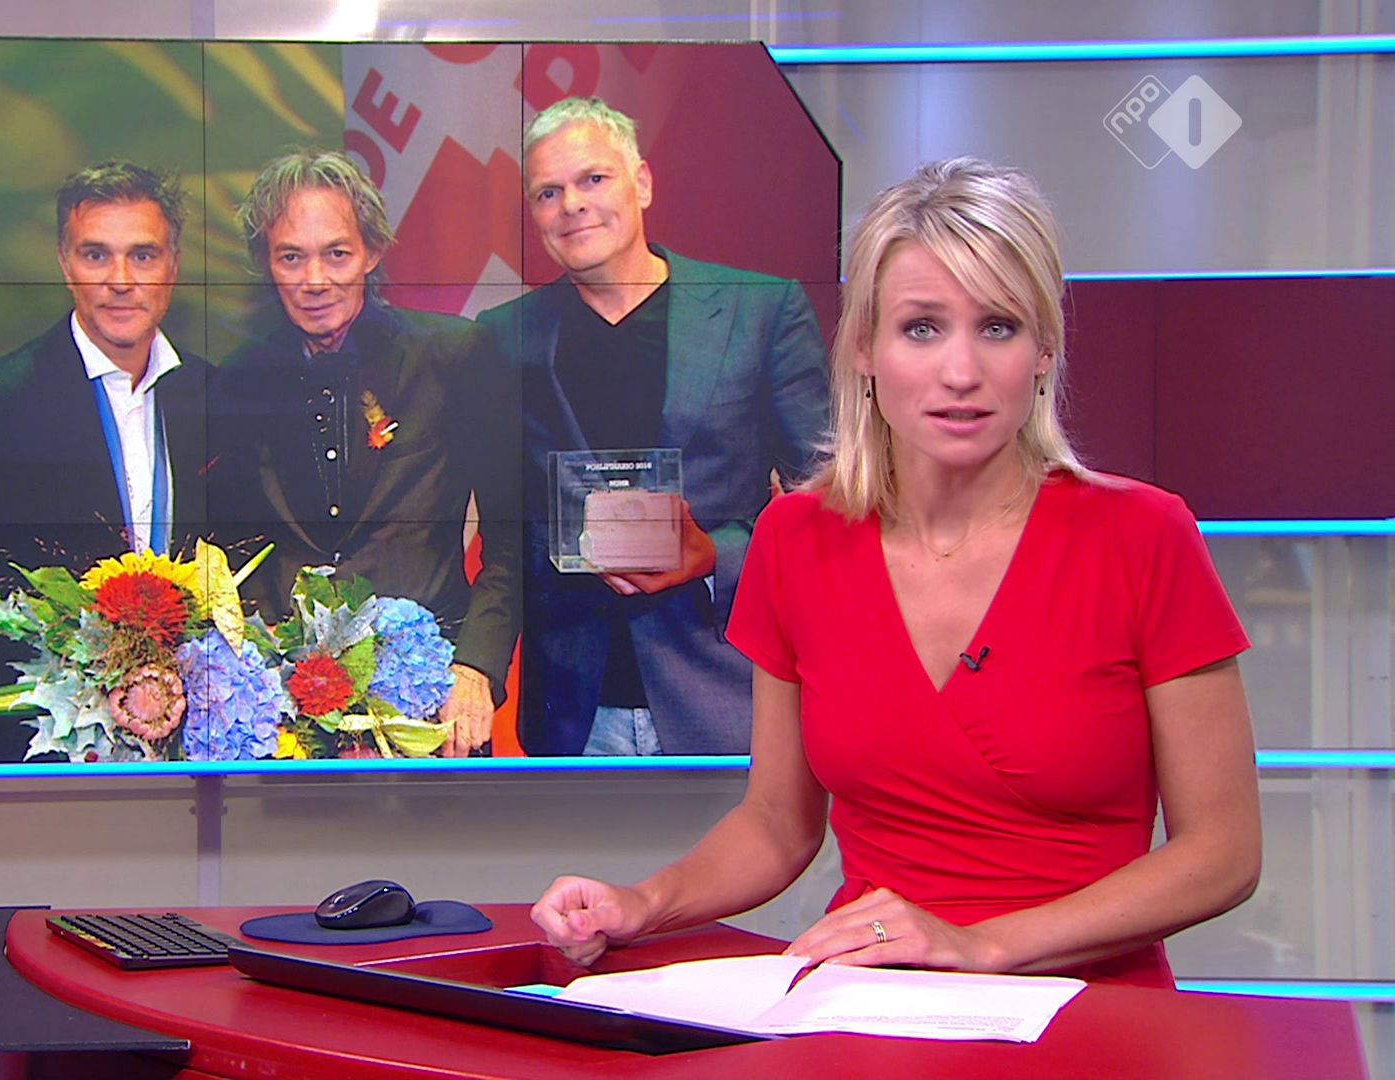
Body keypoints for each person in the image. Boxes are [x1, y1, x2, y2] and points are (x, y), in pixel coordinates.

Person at [531, 158, 1261, 988]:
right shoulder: (795, 538)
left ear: (1045, 350)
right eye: (921, 328)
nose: (961, 372)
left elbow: (1223, 853)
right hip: (874, 1002)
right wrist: (643, 903)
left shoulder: (1143, 535)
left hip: (1087, 1014)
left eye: (998, 327)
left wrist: (983, 946)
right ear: (864, 350)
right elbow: (776, 824)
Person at [476, 97, 829, 757]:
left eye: (593, 179)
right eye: (548, 192)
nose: (572, 205)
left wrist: (715, 554)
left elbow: (829, 509)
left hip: (729, 693)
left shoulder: (761, 311)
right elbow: (508, 538)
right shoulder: (504, 337)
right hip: (572, 714)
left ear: (641, 182)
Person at [209, 149, 518, 757]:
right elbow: (233, 551)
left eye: (336, 254)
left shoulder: (454, 355)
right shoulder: (239, 378)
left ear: (373, 251)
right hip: (287, 716)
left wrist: (476, 667)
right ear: (266, 263)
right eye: (291, 257)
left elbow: (513, 536)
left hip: (430, 703)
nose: (315, 280)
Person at [0, 160, 213, 762]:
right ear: (64, 263)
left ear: (174, 265)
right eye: (95, 255)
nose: (120, 280)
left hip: (191, 729)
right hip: (42, 736)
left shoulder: (213, 395)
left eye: (142, 255)